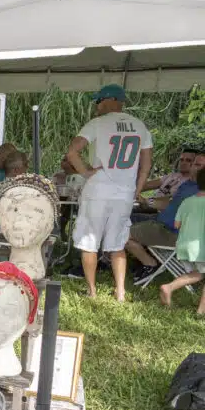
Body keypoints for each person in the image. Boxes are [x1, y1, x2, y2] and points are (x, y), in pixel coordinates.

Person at [66, 84, 154, 301]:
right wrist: (138, 189)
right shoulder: (140, 126)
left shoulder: (97, 123)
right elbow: (146, 164)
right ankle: (121, 292)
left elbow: (72, 151)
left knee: (89, 240)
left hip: (98, 189)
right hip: (124, 193)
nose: (96, 106)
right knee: (118, 242)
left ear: (108, 100)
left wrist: (86, 172)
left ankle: (92, 291)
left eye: (98, 102)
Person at [126, 151, 205, 279]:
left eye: (197, 165)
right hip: (159, 223)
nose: (191, 166)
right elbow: (170, 203)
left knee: (120, 235)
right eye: (194, 164)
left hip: (171, 233)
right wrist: (148, 201)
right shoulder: (188, 184)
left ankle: (150, 264)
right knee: (121, 222)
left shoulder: (200, 192)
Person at [160, 167, 205, 314]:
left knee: (197, 274)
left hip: (184, 246)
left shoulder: (187, 201)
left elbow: (177, 224)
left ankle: (169, 287)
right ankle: (201, 311)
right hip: (201, 247)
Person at [141, 146, 195, 212]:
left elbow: (170, 203)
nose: (183, 163)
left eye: (188, 160)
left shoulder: (192, 183)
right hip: (150, 208)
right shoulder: (172, 176)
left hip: (162, 214)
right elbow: (145, 185)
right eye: (181, 160)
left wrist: (145, 201)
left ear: (196, 163)